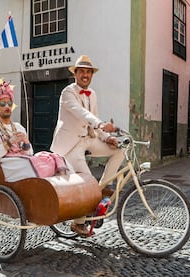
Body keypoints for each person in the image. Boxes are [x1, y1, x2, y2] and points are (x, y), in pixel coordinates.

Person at [50, 55, 124, 237]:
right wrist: (100, 124)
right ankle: (78, 223)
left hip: (88, 138)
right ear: (75, 74)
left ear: (92, 75)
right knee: (86, 182)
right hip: (70, 145)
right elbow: (81, 113)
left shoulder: (93, 94)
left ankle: (100, 191)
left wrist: (106, 137)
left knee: (119, 151)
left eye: (88, 72)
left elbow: (94, 120)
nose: (85, 75)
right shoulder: (68, 92)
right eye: (81, 71)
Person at [0, 82, 37, 182]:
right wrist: (10, 142)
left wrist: (26, 142)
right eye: (2, 104)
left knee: (49, 159)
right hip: (6, 167)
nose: (7, 106)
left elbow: (30, 153)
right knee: (32, 168)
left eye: (9, 103)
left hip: (23, 161)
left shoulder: (18, 127)